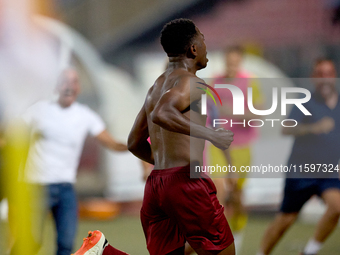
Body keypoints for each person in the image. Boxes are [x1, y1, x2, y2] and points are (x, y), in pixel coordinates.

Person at [73, 18, 235, 255]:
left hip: (157, 185)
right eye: (202, 38)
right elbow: (163, 113)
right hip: (186, 183)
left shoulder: (155, 88)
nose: (206, 45)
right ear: (193, 48)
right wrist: (210, 134)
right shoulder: (193, 83)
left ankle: (104, 252)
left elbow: (134, 142)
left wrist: (162, 165)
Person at [15, 68, 128, 255]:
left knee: (66, 244)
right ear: (56, 87)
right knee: (30, 242)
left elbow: (111, 143)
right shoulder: (39, 110)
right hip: (36, 187)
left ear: (79, 87)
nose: (69, 86)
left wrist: (139, 144)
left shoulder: (85, 115)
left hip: (66, 189)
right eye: (64, 81)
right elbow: (12, 134)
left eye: (74, 82)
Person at [256, 58, 340, 255]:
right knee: (285, 221)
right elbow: (286, 129)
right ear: (313, 77)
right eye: (320, 74)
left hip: (327, 173)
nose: (325, 78)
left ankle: (309, 252)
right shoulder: (305, 101)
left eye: (328, 73)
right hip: (301, 171)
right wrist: (313, 128)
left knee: (337, 208)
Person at [199, 46, 263, 253]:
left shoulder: (250, 82)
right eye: (228, 62)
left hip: (242, 145)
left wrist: (234, 112)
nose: (231, 66)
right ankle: (218, 239)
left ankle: (238, 233)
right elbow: (205, 112)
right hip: (218, 145)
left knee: (237, 194)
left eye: (235, 62)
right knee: (218, 191)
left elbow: (258, 115)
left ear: (241, 62)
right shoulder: (214, 82)